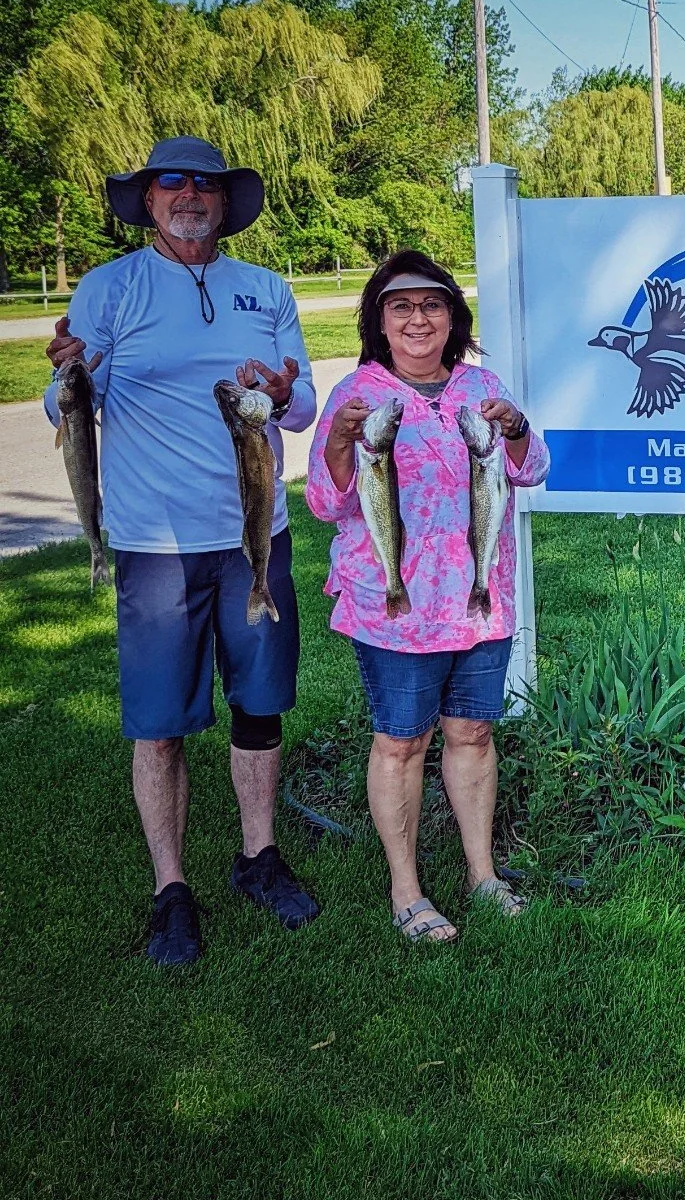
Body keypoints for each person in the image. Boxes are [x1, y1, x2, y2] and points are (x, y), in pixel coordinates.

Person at [42, 137, 319, 967]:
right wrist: (68, 377)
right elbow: (66, 410)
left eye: (206, 183)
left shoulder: (264, 289)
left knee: (260, 706)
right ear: (149, 199)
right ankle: (171, 889)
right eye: (174, 182)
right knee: (160, 725)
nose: (191, 194)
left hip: (253, 537)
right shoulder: (109, 290)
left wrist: (282, 392)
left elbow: (301, 406)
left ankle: (257, 856)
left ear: (226, 203)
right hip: (154, 542)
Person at [305, 250, 549, 943]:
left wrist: (518, 429)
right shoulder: (358, 393)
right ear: (380, 321)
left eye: (432, 305)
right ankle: (406, 891)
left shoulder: (484, 387)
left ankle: (482, 876)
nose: (418, 319)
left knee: (472, 733)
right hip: (398, 607)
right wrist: (344, 446)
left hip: (478, 601)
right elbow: (326, 503)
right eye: (401, 306)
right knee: (401, 742)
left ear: (453, 318)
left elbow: (530, 473)